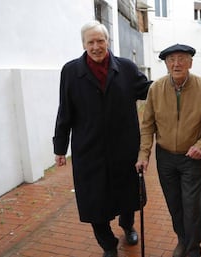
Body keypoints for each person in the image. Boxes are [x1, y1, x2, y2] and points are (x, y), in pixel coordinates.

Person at [53, 20, 152, 257]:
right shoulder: (70, 71)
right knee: (94, 200)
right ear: (84, 44)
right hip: (89, 150)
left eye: (100, 40)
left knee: (128, 195)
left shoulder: (126, 68)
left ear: (108, 41)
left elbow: (149, 90)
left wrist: (174, 83)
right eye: (91, 42)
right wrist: (59, 147)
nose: (96, 46)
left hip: (124, 147)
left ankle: (127, 227)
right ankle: (108, 244)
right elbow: (64, 110)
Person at [135, 44, 201, 257]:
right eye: (171, 59)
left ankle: (193, 249)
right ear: (165, 63)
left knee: (191, 206)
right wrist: (143, 154)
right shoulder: (156, 89)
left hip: (192, 157)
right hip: (165, 158)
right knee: (174, 204)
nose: (176, 63)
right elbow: (147, 125)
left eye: (182, 58)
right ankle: (182, 239)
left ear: (190, 62)